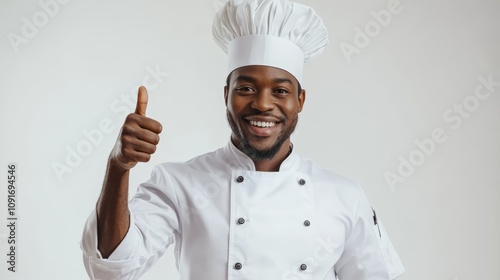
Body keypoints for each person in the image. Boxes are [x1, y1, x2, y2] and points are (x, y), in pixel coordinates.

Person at [81, 0, 405, 279]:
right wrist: (119, 166)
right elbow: (111, 270)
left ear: (300, 101)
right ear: (226, 95)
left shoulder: (344, 197)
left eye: (280, 90)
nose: (263, 104)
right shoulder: (179, 184)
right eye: (246, 88)